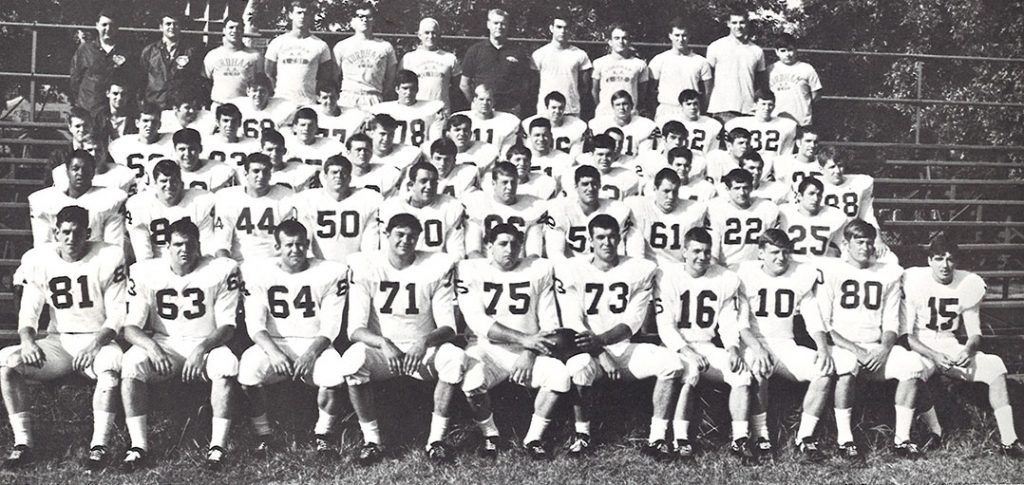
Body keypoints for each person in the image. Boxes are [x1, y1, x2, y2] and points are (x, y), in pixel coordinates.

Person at [0, 206, 126, 469]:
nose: (71, 238)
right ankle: (23, 442)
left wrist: (95, 344)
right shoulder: (40, 260)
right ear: (56, 232)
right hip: (59, 341)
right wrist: (28, 341)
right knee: (8, 364)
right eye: (65, 232)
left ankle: (99, 445)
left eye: (77, 233)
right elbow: (30, 312)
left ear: (88, 233)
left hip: (97, 340)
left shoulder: (108, 255)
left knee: (111, 367)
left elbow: (117, 314)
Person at [342, 213, 465, 464]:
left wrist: (424, 342)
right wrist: (383, 343)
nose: (405, 241)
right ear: (386, 234)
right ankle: (372, 441)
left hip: (422, 353)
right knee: (353, 360)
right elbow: (355, 329)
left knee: (455, 357)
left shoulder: (434, 266)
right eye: (399, 234)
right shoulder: (367, 266)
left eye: (411, 236)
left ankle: (436, 441)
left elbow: (448, 327)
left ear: (419, 238)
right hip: (384, 353)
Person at [558, 215, 683, 458]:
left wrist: (601, 343)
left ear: (620, 238)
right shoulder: (574, 269)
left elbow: (631, 324)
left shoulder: (638, 268)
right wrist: (600, 352)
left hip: (623, 348)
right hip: (589, 351)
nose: (607, 242)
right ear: (590, 241)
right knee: (579, 367)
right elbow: (573, 321)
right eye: (601, 237)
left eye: (612, 237)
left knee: (672, 363)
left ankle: (657, 438)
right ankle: (582, 435)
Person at [120, 220, 241, 470]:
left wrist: (201, 349)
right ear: (167, 247)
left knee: (227, 364)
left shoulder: (221, 269)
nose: (183, 250)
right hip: (165, 344)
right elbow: (130, 328)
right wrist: (153, 349)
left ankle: (217, 447)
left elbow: (228, 326)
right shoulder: (146, 272)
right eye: (177, 244)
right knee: (131, 363)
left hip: (206, 344)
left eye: (189, 244)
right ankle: (138, 446)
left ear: (199, 246)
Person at [738, 229, 858, 463]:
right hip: (756, 343)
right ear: (761, 253)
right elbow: (741, 325)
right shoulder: (747, 275)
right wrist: (758, 349)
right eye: (774, 252)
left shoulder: (799, 276)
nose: (780, 258)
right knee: (758, 368)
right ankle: (762, 435)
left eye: (785, 253)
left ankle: (805, 437)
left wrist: (822, 348)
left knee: (823, 371)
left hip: (786, 344)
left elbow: (814, 318)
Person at [818, 220, 930, 459]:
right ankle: (845, 439)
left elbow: (892, 323)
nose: (866, 247)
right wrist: (857, 351)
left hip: (875, 346)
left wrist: (884, 348)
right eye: (859, 242)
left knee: (913, 366)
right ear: (846, 244)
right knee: (847, 366)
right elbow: (824, 325)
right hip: (842, 344)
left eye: (869, 242)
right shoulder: (833, 271)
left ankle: (902, 438)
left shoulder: (886, 273)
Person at [905, 235, 1024, 457]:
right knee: (911, 369)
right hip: (921, 345)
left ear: (956, 262)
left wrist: (968, 351)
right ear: (930, 260)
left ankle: (1009, 440)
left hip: (950, 343)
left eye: (950, 259)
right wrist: (934, 354)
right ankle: (935, 432)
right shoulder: (915, 280)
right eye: (939, 259)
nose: (945, 265)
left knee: (995, 366)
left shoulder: (968, 283)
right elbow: (909, 337)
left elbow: (974, 334)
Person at [458, 223, 569, 459]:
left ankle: (533, 439)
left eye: (515, 244)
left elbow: (549, 323)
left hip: (528, 352)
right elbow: (478, 322)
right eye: (503, 243)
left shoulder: (537, 270)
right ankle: (491, 435)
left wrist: (529, 352)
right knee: (471, 380)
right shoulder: (472, 271)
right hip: (488, 349)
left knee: (559, 375)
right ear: (489, 246)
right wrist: (526, 340)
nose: (510, 249)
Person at [237, 221, 348, 456]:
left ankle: (323, 434)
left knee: (335, 374)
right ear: (277, 246)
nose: (295, 250)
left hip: (314, 343)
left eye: (300, 245)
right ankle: (264, 434)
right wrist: (275, 352)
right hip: (274, 342)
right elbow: (255, 324)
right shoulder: (259, 273)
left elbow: (331, 326)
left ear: (308, 245)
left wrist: (310, 353)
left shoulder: (329, 272)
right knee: (248, 370)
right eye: (289, 245)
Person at [653, 227, 754, 462]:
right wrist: (686, 351)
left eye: (707, 252)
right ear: (684, 252)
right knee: (690, 373)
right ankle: (681, 439)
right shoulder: (668, 277)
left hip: (706, 345)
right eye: (696, 251)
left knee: (742, 376)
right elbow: (665, 326)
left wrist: (732, 349)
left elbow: (729, 322)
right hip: (675, 346)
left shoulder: (724, 278)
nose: (702, 257)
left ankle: (740, 440)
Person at [288, 154, 382, 261]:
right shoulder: (308, 199)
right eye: (334, 172)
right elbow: (306, 239)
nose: (339, 176)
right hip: (319, 266)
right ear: (325, 176)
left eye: (344, 173)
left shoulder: (367, 199)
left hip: (354, 266)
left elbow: (370, 243)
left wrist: (364, 264)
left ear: (350, 177)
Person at [29, 150, 127, 247]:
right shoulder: (44, 201)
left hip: (97, 257)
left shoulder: (110, 198)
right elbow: (43, 246)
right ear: (67, 172)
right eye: (75, 169)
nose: (80, 173)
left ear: (93, 172)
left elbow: (114, 247)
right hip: (57, 259)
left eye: (86, 169)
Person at [125, 160, 216, 261]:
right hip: (157, 266)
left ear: (182, 184)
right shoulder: (139, 205)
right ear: (155, 184)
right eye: (163, 181)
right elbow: (143, 256)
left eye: (174, 181)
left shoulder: (200, 201)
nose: (169, 185)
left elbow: (207, 248)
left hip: (191, 265)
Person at [818, 148, 896, 263]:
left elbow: (867, 215)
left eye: (840, 166)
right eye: (832, 167)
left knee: (889, 260)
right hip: (826, 236)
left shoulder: (859, 183)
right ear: (821, 169)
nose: (838, 171)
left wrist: (878, 239)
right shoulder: (815, 187)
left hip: (853, 235)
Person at [213, 152, 294, 263]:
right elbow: (221, 243)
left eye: (266, 172)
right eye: (256, 171)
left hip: (276, 264)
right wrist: (226, 265)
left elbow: (291, 240)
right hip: (240, 263)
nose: (261, 176)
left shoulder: (286, 197)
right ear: (246, 174)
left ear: (270, 174)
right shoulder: (228, 198)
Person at [377, 162, 466, 259]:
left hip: (437, 267)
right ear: (411, 185)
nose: (429, 186)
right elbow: (385, 251)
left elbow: (456, 251)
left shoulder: (450, 206)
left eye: (433, 182)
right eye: (424, 181)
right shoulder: (391, 207)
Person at [545, 165, 635, 260]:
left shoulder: (617, 209)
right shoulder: (561, 208)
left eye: (594, 184)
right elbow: (555, 253)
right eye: (585, 184)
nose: (591, 188)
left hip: (606, 266)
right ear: (576, 187)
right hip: (572, 268)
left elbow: (619, 250)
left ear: (600, 185)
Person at [464, 161, 548, 258]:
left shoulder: (533, 207)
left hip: (520, 267)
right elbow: (473, 251)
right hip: (485, 265)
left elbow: (534, 254)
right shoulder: (479, 204)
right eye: (505, 182)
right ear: (493, 184)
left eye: (513, 182)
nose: (509, 187)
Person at [626, 168, 707, 264]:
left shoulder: (694, 209)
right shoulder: (640, 207)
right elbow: (636, 252)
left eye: (675, 191)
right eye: (666, 191)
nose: (671, 197)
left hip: (679, 270)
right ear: (655, 189)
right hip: (651, 268)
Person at [460, 9, 534, 115]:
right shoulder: (475, 50)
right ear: (488, 24)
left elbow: (526, 84)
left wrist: (517, 103)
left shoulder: (518, 52)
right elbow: (464, 84)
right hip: (482, 110)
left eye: (503, 24)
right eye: (495, 23)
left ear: (507, 26)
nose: (499, 27)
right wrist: (475, 103)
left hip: (509, 109)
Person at [264, 0, 335, 107]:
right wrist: (276, 92)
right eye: (299, 13)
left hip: (308, 103)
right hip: (280, 102)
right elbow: (268, 73)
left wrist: (314, 96)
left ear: (311, 16)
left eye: (306, 13)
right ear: (290, 14)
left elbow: (325, 78)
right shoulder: (277, 42)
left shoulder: (321, 46)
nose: (302, 16)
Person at [706, 169, 780, 269]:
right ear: (727, 189)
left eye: (745, 188)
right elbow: (712, 254)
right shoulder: (717, 209)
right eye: (737, 188)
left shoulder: (767, 208)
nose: (742, 192)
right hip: (726, 267)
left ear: (752, 188)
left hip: (757, 269)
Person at [70, 10, 134, 116]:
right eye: (104, 25)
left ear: (117, 27)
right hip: (90, 109)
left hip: (116, 111)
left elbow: (132, 80)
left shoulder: (126, 51)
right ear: (97, 26)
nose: (108, 29)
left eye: (112, 25)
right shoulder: (85, 49)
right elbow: (75, 80)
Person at [706, 9, 767, 121]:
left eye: (742, 22)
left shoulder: (757, 51)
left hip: (749, 110)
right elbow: (707, 79)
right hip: (722, 109)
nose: (738, 26)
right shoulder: (715, 47)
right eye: (734, 23)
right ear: (728, 24)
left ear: (747, 23)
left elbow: (761, 84)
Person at [333, 4, 397, 109]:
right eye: (360, 16)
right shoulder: (341, 46)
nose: (364, 20)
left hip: (374, 97)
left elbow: (391, 77)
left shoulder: (385, 46)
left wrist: (382, 94)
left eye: (368, 16)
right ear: (352, 20)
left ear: (374, 20)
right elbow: (334, 77)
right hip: (348, 97)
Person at [649, 19, 713, 119]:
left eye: (684, 35)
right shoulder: (659, 60)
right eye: (677, 35)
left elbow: (707, 92)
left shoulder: (701, 61)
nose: (681, 39)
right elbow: (651, 90)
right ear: (670, 36)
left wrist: (701, 111)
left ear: (689, 36)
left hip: (690, 110)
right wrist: (654, 110)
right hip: (666, 110)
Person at [778, 177, 847, 265]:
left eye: (819, 194)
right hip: (790, 266)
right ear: (799, 196)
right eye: (811, 193)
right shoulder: (784, 213)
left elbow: (841, 248)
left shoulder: (833, 215)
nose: (815, 198)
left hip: (819, 267)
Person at [139, 13, 203, 108]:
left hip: (179, 106)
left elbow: (195, 80)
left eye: (175, 24)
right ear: (161, 27)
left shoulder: (190, 52)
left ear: (180, 27)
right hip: (155, 105)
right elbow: (141, 79)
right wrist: (141, 102)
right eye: (168, 24)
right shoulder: (149, 51)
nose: (172, 27)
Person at [531, 17, 592, 117]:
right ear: (551, 28)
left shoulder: (580, 54)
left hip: (571, 109)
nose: (562, 31)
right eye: (559, 27)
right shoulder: (539, 54)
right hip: (546, 110)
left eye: (566, 28)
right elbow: (533, 85)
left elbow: (584, 86)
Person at [369, 70, 445, 147]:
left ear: (417, 89)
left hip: (420, 153)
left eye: (412, 88)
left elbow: (436, 140)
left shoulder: (432, 108)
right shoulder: (381, 110)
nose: (409, 92)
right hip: (393, 153)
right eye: (405, 88)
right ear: (397, 89)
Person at [400, 18, 461, 112]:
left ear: (439, 35)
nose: (431, 36)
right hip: (416, 110)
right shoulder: (408, 58)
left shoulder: (450, 58)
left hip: (441, 112)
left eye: (434, 33)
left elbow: (456, 87)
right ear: (419, 35)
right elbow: (401, 87)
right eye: (427, 33)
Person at [204, 15, 264, 105]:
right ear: (224, 30)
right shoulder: (212, 55)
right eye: (231, 27)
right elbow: (205, 82)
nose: (235, 31)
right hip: (219, 104)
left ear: (243, 31)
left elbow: (261, 82)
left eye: (238, 28)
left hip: (244, 105)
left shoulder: (255, 56)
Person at [724, 90, 798, 164]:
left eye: (770, 104)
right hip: (748, 165)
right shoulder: (738, 123)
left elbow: (786, 152)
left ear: (774, 106)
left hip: (774, 165)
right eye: (763, 104)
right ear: (755, 105)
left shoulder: (787, 124)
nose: (766, 108)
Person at [51, 132, 136, 196]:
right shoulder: (63, 173)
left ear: (105, 151)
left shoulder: (123, 174)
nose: (94, 154)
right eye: (89, 150)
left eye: (98, 150)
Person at [108, 103, 173, 187]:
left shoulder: (169, 143)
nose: (149, 125)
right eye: (145, 121)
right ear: (137, 123)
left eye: (154, 122)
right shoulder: (121, 144)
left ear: (159, 125)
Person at [591, 25, 649, 117]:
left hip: (629, 114)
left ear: (629, 42)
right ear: (610, 42)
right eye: (616, 38)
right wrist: (602, 107)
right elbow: (594, 90)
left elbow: (642, 92)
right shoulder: (599, 63)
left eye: (624, 38)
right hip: (605, 114)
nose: (621, 42)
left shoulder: (640, 64)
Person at [454, 84, 522, 159]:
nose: (485, 103)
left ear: (494, 101)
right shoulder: (462, 118)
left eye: (488, 100)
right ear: (474, 100)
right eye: (481, 99)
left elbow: (506, 152)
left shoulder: (508, 121)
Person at [768, 33, 821, 127]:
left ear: (796, 50)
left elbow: (815, 95)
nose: (787, 54)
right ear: (776, 52)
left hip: (802, 122)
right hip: (776, 121)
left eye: (790, 50)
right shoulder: (770, 70)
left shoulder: (807, 68)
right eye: (783, 51)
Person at [572, 133, 640, 201]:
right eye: (600, 154)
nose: (604, 158)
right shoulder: (579, 176)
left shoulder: (627, 175)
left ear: (614, 154)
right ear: (591, 154)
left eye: (608, 155)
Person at [588, 91, 657, 157]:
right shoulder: (598, 124)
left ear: (632, 106)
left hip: (633, 164)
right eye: (617, 105)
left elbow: (645, 156)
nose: (621, 108)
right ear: (613, 107)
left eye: (625, 104)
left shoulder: (646, 125)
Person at [232, 74, 298, 140]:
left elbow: (298, 109)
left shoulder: (282, 106)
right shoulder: (238, 104)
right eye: (254, 90)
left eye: (262, 91)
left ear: (268, 92)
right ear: (248, 91)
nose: (258, 94)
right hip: (244, 146)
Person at [521, 91, 588, 156]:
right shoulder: (531, 123)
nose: (557, 111)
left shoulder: (576, 125)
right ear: (546, 108)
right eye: (553, 108)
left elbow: (576, 155)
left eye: (560, 108)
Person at [660, 89, 723, 156]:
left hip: (700, 162)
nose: (692, 107)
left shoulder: (712, 124)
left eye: (695, 104)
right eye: (688, 104)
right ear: (681, 106)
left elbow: (713, 153)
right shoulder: (668, 120)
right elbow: (662, 148)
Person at [172, 128, 236, 192]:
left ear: (200, 149)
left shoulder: (220, 170)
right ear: (175, 150)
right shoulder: (169, 172)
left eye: (192, 149)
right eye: (182, 149)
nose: (187, 154)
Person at [202, 103, 260, 171]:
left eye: (234, 121)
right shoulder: (207, 144)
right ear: (218, 122)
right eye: (225, 121)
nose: (230, 125)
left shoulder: (252, 145)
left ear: (239, 123)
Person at [346, 133, 403, 197]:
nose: (362, 153)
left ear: (371, 152)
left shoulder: (387, 173)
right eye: (358, 150)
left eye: (366, 150)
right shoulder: (340, 176)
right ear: (348, 152)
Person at [772, 126, 822, 197]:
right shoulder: (782, 162)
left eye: (815, 142)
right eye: (808, 141)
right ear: (798, 143)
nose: (812, 145)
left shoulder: (823, 164)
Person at [521, 117, 573, 183]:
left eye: (545, 135)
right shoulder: (522, 159)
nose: (541, 139)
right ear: (530, 137)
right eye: (537, 135)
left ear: (551, 136)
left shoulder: (565, 159)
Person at [93, 75, 137, 140]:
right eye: (115, 93)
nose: (119, 98)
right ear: (108, 93)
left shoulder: (133, 119)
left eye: (123, 94)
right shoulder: (99, 119)